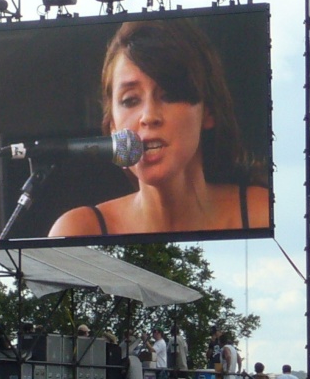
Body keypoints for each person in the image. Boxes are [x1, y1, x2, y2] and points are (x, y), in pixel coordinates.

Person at [48, 19, 269, 237]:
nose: (149, 116)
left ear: (208, 111)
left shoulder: (262, 213)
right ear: (113, 126)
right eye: (130, 100)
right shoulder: (80, 230)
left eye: (168, 95)